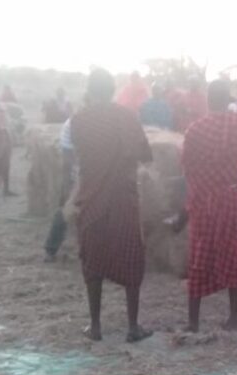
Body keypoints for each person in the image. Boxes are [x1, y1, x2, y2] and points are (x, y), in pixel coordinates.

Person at [70, 69, 154, 343]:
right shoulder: (127, 117)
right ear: (112, 90)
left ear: (90, 90)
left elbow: (80, 153)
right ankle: (132, 326)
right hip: (122, 199)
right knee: (130, 258)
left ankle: (95, 326)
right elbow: (145, 153)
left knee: (92, 261)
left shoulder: (78, 120)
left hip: (91, 199)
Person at [179, 79, 237, 332]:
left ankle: (193, 322)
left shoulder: (195, 130)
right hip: (232, 198)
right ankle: (233, 318)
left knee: (199, 256)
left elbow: (186, 166)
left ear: (208, 99)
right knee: (235, 255)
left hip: (204, 201)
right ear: (228, 98)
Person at [44, 118, 77, 262]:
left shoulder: (115, 119)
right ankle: (51, 249)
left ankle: (51, 250)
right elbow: (67, 158)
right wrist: (67, 185)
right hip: (80, 176)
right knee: (65, 209)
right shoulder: (72, 123)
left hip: (104, 176)